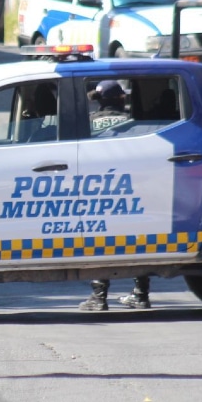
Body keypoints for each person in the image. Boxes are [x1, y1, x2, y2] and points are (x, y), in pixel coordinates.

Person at [80, 79, 151, 312]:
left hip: (101, 193)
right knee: (137, 243)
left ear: (98, 101)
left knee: (101, 244)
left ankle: (99, 298)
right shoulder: (134, 123)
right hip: (133, 192)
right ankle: (140, 296)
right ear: (122, 99)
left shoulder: (88, 124)